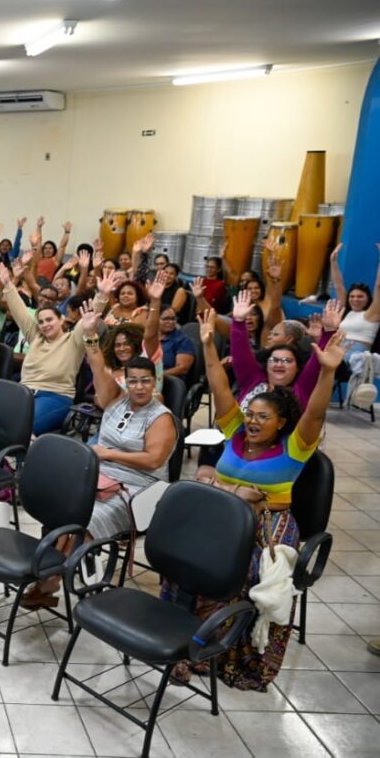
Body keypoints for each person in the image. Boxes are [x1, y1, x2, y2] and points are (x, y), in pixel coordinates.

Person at [187, 308, 344, 691]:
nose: (253, 421)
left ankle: (225, 651)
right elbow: (220, 385)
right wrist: (209, 345)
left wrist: (327, 371)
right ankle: (184, 636)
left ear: (282, 424)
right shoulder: (235, 430)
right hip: (226, 512)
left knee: (241, 572)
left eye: (263, 417)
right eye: (251, 414)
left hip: (268, 526)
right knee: (185, 553)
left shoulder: (295, 446)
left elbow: (317, 412)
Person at [23, 306, 175, 608]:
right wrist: (90, 334)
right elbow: (97, 366)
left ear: (154, 382)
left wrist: (108, 453)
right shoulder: (116, 400)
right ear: (126, 382)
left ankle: (51, 579)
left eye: (146, 381)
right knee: (65, 505)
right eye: (133, 381)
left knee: (90, 515)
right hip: (102, 475)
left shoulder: (161, 416)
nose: (139, 387)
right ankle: (49, 565)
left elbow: (153, 461)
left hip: (141, 488)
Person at [0, 255, 93, 434]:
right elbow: (19, 311)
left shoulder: (74, 341)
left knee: (21, 428)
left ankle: (17, 460)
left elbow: (89, 319)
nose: (45, 324)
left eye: (50, 320)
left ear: (61, 319)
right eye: (41, 321)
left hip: (55, 397)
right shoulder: (36, 336)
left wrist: (101, 296)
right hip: (24, 393)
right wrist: (8, 284)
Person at [329, 243, 380, 397]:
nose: (355, 299)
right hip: (337, 348)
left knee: (327, 363)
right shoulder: (347, 313)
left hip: (354, 356)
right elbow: (338, 286)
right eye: (352, 296)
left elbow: (379, 286)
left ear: (367, 298)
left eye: (360, 296)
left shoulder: (372, 314)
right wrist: (333, 262)